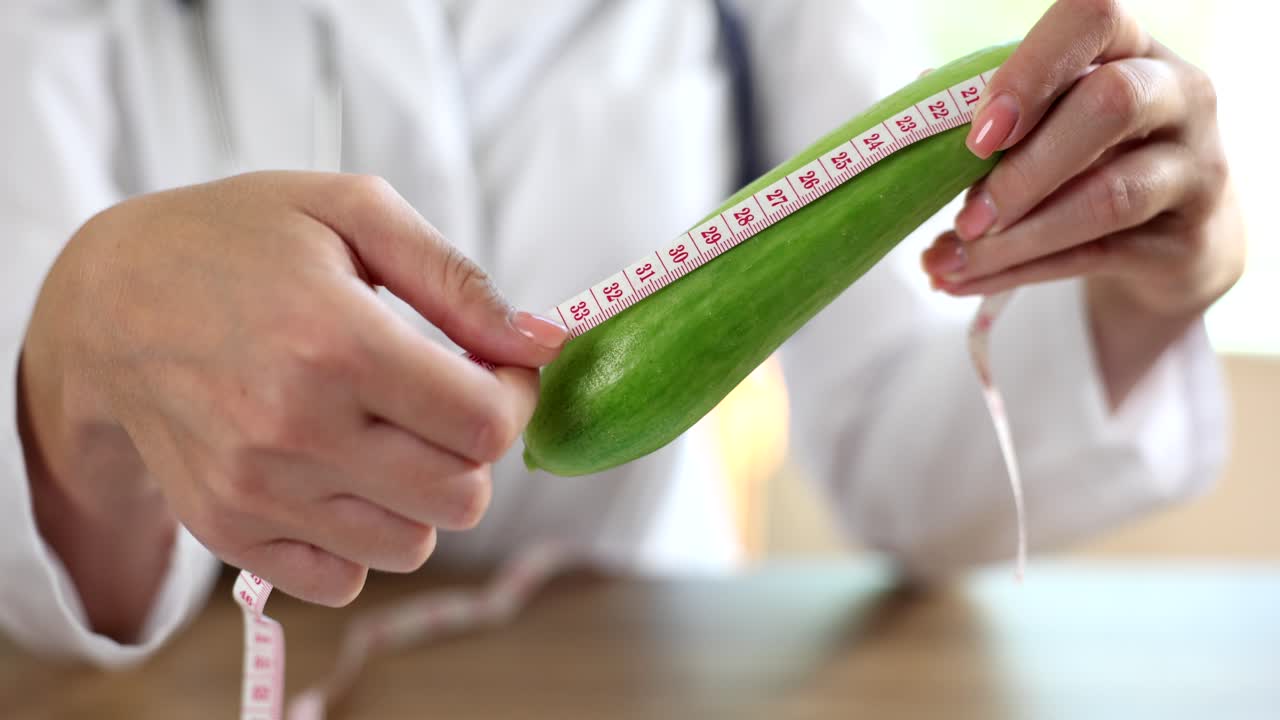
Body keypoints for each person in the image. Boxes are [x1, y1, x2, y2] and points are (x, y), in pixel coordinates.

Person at [0, 0, 1243, 668]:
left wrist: (1137, 295)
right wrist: (78, 357)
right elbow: (46, 604)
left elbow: (911, 480)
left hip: (659, 673)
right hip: (199, 674)